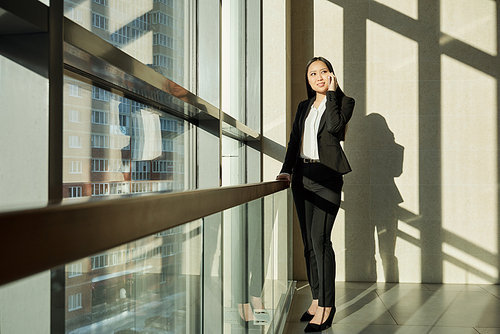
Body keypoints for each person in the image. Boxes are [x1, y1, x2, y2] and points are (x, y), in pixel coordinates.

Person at [276, 56, 354, 332]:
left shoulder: (344, 102)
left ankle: (328, 307)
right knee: (309, 243)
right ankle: (317, 298)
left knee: (321, 241)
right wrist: (286, 170)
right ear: (307, 80)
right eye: (312, 74)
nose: (318, 77)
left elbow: (334, 128)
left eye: (323, 72)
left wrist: (332, 93)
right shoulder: (303, 106)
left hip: (327, 179)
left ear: (331, 75)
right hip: (302, 177)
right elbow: (294, 141)